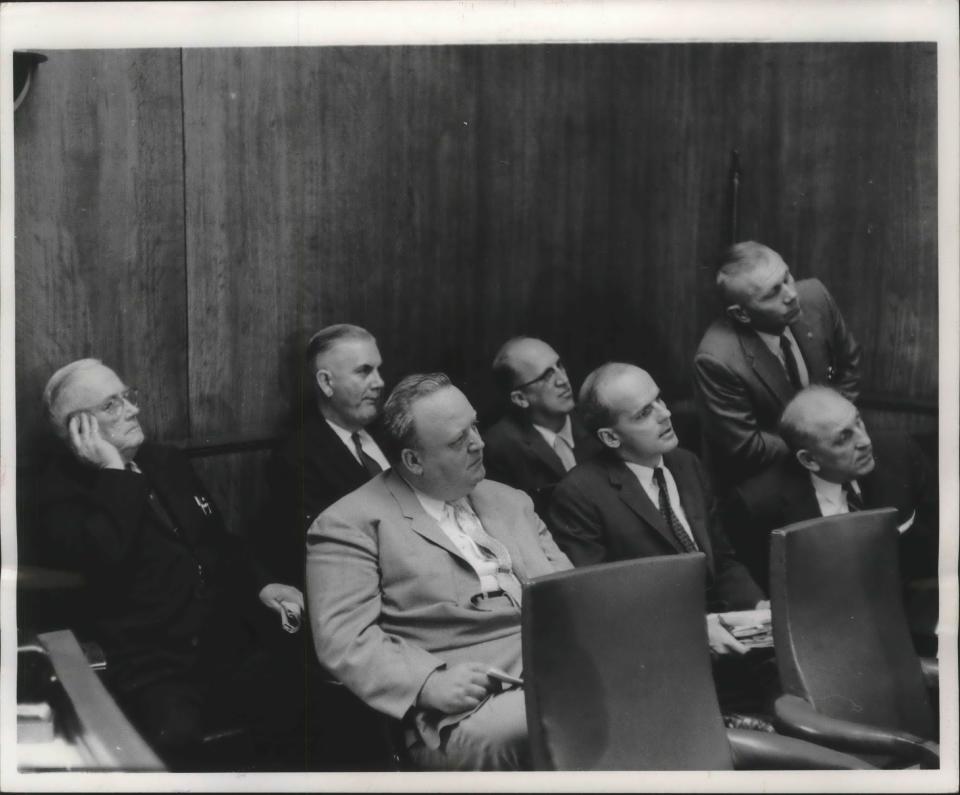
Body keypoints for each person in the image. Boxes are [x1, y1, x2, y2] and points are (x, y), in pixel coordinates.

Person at [36, 359, 304, 770]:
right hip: (153, 666)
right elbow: (106, 558)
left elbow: (218, 541)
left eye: (129, 397)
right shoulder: (57, 493)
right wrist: (113, 470)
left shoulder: (165, 461)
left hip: (224, 640)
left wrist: (263, 584)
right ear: (80, 428)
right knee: (177, 744)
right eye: (113, 405)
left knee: (304, 701)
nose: (133, 410)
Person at [306, 373, 572, 770]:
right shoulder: (350, 523)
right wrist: (427, 682)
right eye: (457, 440)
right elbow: (345, 639)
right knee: (553, 724)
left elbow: (572, 595)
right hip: (466, 700)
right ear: (413, 460)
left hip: (560, 669)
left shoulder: (511, 501)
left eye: (475, 426)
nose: (479, 443)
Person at [547, 363, 777, 716]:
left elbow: (723, 558)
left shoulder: (686, 464)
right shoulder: (579, 495)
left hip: (730, 639)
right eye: (644, 413)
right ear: (611, 437)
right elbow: (599, 604)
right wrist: (693, 632)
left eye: (660, 401)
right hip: (658, 657)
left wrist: (758, 609)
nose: (665, 414)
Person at [725, 386, 938, 650]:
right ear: (809, 460)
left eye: (858, 421)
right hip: (822, 638)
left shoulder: (900, 455)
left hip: (906, 619)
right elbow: (737, 567)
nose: (864, 441)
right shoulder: (759, 503)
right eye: (843, 438)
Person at [693, 241, 862, 487]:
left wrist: (836, 434)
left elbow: (851, 368)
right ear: (741, 314)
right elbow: (747, 445)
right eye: (773, 293)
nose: (791, 295)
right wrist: (823, 443)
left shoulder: (816, 297)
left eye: (787, 277)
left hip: (831, 457)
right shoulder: (716, 359)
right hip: (766, 480)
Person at [257, 323, 388, 587]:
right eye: (364, 371)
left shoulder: (392, 432)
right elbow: (332, 553)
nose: (379, 382)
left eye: (378, 369)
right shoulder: (296, 459)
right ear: (326, 382)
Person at [483, 337, 603, 517]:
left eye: (559, 365)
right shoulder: (499, 448)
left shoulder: (595, 420)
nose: (562, 380)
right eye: (547, 376)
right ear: (520, 399)